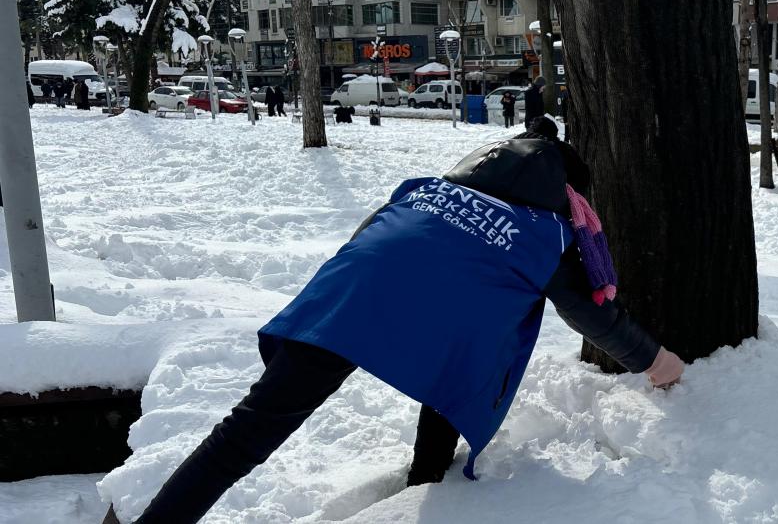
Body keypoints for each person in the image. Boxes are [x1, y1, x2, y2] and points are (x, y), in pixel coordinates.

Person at [120, 118, 683, 524]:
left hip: (340, 302)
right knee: (466, 354)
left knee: (245, 433)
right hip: (413, 317)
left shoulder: (428, 191)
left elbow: (368, 244)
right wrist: (656, 363)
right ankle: (427, 478)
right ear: (565, 194)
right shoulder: (543, 232)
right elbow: (591, 313)